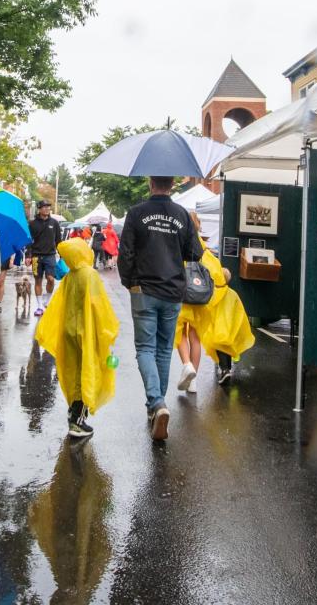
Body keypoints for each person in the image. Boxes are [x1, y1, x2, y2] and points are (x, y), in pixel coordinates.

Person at [118, 176, 203, 441]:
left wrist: (129, 281)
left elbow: (126, 253)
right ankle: (156, 405)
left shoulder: (136, 213)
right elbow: (196, 253)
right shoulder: (182, 215)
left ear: (151, 184)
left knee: (145, 348)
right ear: (172, 185)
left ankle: (156, 403)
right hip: (173, 292)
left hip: (143, 289)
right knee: (164, 350)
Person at [35, 237, 119, 437]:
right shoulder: (89, 275)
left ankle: (74, 411)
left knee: (74, 373)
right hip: (86, 333)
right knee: (86, 374)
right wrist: (108, 332)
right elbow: (99, 307)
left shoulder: (70, 276)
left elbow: (58, 306)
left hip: (69, 332)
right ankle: (77, 421)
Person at [175, 212, 255, 389]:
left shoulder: (178, 244)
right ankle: (193, 382)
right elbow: (218, 276)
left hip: (181, 297)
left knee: (179, 335)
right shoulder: (203, 249)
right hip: (200, 301)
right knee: (195, 337)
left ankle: (187, 365)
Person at [26, 200, 61, 316]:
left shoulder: (54, 223)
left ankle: (46, 301)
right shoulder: (32, 224)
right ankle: (40, 306)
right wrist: (28, 256)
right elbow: (29, 241)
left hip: (50, 256)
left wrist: (62, 255)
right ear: (39, 209)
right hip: (36, 256)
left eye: (48, 207)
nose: (47, 209)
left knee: (51, 279)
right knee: (38, 281)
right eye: (44, 207)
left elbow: (58, 241)